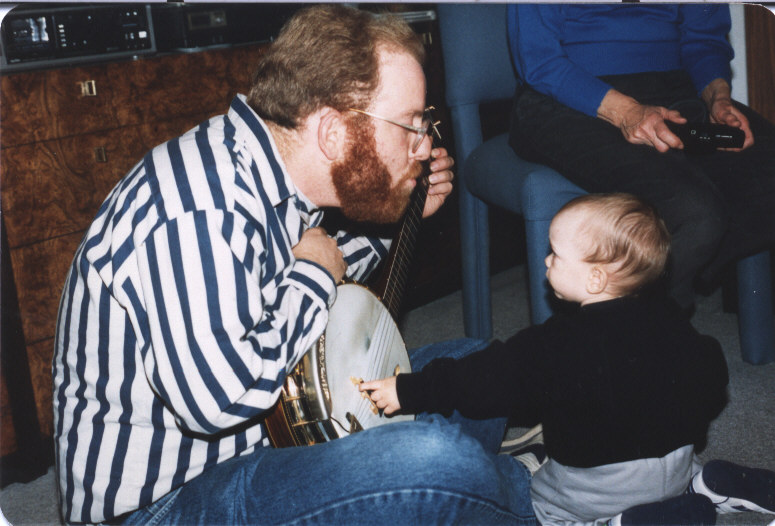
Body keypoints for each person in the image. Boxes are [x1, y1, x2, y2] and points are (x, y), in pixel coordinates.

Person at [52, 5, 538, 525]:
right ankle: (535, 498)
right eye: (410, 125)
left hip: (269, 430)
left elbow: (305, 281)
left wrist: (395, 218)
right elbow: (217, 399)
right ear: (333, 131)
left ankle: (472, 491)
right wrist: (313, 275)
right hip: (165, 501)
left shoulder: (271, 171)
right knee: (435, 457)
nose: (423, 147)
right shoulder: (197, 209)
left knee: (473, 365)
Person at [362, 193, 775, 525]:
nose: (546, 260)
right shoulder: (670, 316)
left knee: (539, 509)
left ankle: (619, 520)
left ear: (595, 278)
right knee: (660, 456)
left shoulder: (557, 342)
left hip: (598, 489)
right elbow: (712, 371)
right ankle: (702, 485)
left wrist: (408, 390)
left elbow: (484, 378)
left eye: (556, 254)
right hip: (675, 464)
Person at [507, 4, 775, 311]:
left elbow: (704, 39)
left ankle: (657, 301)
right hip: (566, 94)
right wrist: (627, 112)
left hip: (673, 88)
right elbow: (539, 58)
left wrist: (718, 97)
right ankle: (629, 327)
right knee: (692, 212)